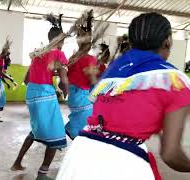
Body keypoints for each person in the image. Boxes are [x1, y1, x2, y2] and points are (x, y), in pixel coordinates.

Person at [56, 12, 190, 180]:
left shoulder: (114, 71)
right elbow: (171, 154)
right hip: (122, 164)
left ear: (132, 43)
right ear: (167, 42)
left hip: (79, 156)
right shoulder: (174, 81)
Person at [11, 14, 69, 180]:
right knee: (57, 134)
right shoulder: (59, 54)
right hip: (45, 95)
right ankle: (42, 174)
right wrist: (65, 92)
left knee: (36, 129)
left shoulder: (38, 53)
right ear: (60, 40)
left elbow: (27, 79)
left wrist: (49, 73)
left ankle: (17, 162)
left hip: (31, 94)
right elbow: (64, 80)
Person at [65, 10, 98, 140]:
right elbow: (92, 80)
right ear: (89, 44)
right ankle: (73, 133)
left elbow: (69, 76)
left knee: (81, 117)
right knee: (88, 120)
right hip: (81, 96)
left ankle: (72, 130)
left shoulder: (73, 57)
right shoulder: (89, 59)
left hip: (73, 95)